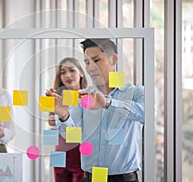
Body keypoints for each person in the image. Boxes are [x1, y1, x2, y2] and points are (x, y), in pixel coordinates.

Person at [46, 39, 144, 182]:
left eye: (96, 60)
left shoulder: (135, 92)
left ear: (114, 59)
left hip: (124, 179)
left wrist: (108, 103)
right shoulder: (82, 96)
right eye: (87, 62)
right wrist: (63, 114)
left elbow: (146, 114)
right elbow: (72, 136)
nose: (91, 67)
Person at [47, 57, 87, 182]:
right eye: (63, 72)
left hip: (81, 153)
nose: (67, 75)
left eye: (71, 70)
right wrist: (52, 120)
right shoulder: (58, 99)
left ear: (80, 72)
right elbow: (53, 128)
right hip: (60, 152)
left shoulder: (89, 98)